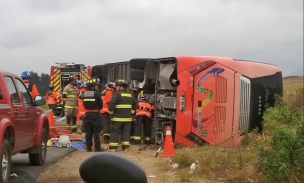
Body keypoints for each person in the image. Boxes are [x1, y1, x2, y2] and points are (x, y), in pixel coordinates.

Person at [108, 79, 137, 151]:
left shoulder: (117, 95)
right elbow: (135, 105)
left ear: (121, 87)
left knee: (115, 131)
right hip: (127, 119)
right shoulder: (131, 95)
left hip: (117, 118)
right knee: (126, 132)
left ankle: (113, 148)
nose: (116, 88)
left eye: (117, 86)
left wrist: (111, 113)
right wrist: (131, 113)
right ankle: (125, 147)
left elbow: (111, 104)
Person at [83, 78, 104, 152]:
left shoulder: (84, 94)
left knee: (88, 131)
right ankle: (97, 148)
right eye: (96, 85)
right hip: (95, 114)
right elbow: (101, 105)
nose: (97, 87)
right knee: (96, 131)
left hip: (87, 114)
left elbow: (84, 104)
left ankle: (88, 148)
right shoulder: (96, 94)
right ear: (93, 86)